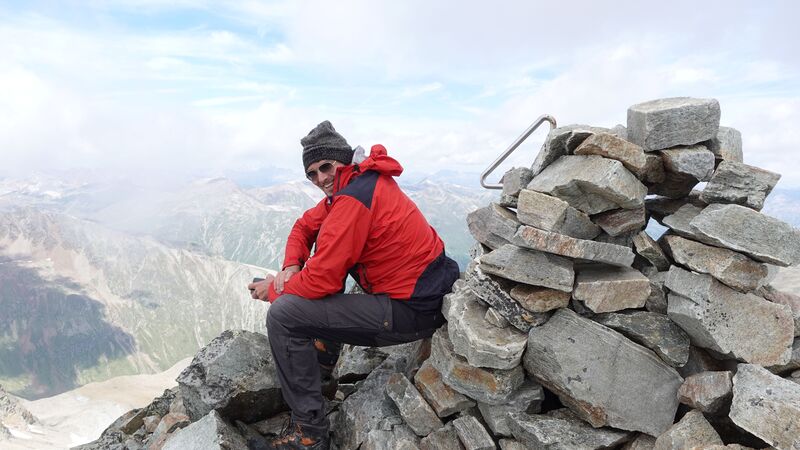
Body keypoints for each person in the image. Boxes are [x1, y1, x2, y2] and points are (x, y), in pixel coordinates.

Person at [248, 120, 460, 450]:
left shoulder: (352, 201)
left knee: (284, 314)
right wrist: (291, 267)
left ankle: (308, 434)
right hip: (423, 292)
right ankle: (320, 370)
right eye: (312, 174)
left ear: (342, 160)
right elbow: (304, 226)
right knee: (314, 278)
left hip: (413, 309)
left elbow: (321, 280)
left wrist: (274, 289)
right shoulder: (360, 183)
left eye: (326, 167)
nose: (320, 179)